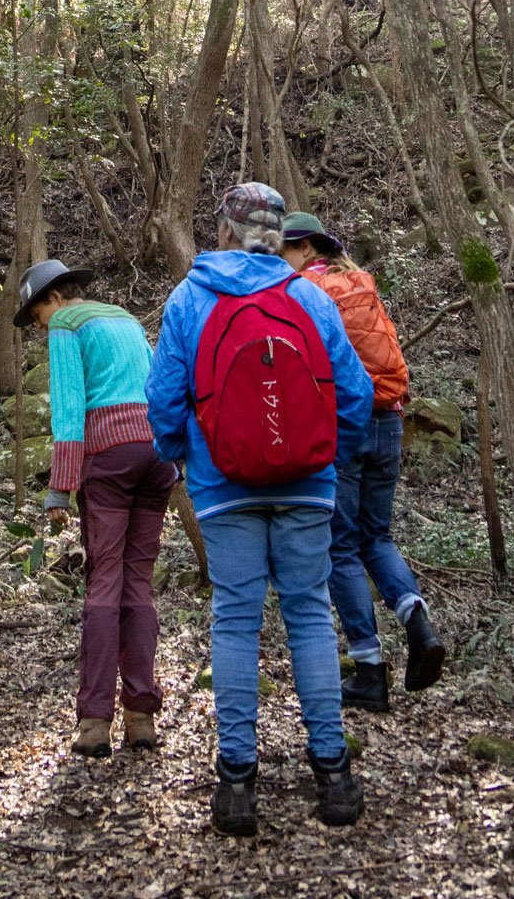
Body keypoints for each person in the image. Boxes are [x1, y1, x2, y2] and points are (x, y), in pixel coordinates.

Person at [146, 183, 374, 837]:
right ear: (278, 236)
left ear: (224, 230)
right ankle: (332, 773)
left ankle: (238, 784)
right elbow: (355, 395)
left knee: (236, 620)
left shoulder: (191, 298)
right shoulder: (309, 297)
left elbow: (163, 400)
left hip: (223, 487)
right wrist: (324, 457)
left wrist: (182, 456)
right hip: (308, 483)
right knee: (309, 614)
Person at [283, 210, 446, 711]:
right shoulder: (360, 283)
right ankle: (418, 623)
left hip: (345, 424)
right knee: (377, 537)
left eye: (284, 250)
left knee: (341, 547)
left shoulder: (305, 292)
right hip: (390, 420)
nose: (279, 260)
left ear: (306, 248)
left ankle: (370, 671)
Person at [17, 258, 176, 758]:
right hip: (155, 455)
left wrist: (60, 487)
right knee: (138, 584)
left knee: (104, 582)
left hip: (109, 460)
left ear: (53, 299)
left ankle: (94, 722)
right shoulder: (124, 318)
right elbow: (159, 385)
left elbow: (69, 406)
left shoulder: (66, 324)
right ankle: (141, 717)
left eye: (36, 315)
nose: (40, 326)